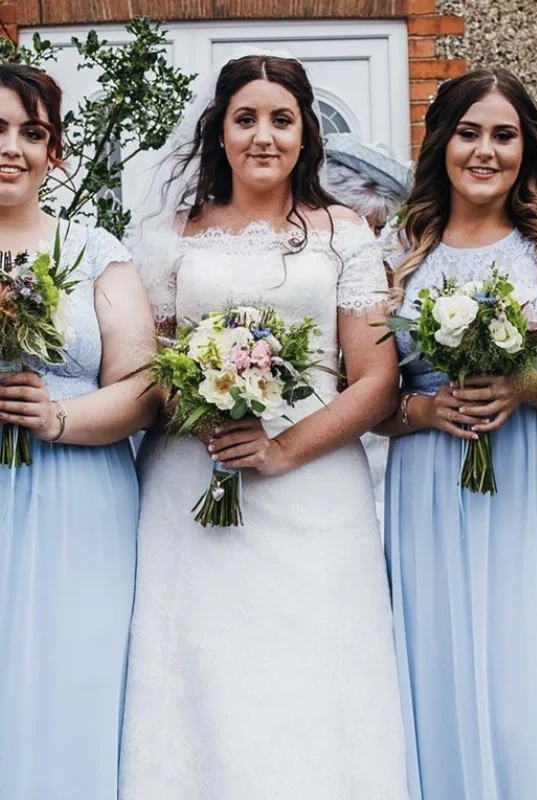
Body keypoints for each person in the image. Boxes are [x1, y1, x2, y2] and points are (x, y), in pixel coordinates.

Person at [119, 52, 408, 799]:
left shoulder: (342, 232)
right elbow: (147, 372)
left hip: (314, 492)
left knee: (313, 672)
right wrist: (201, 402)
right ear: (220, 131)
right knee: (203, 669)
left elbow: (376, 380)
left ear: (306, 132)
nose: (263, 136)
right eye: (246, 118)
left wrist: (280, 450)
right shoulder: (169, 237)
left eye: (282, 119)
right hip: (191, 483)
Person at [377, 67, 537, 799]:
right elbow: (367, 393)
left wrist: (525, 386)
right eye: (468, 134)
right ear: (440, 143)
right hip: (431, 483)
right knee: (444, 658)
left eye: (503, 135)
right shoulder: (400, 248)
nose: (484, 151)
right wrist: (423, 411)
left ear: (527, 148)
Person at [0, 63, 159, 799]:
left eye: (31, 132)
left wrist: (59, 417)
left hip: (80, 494)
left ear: (53, 150)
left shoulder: (96, 252)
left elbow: (142, 385)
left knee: (76, 671)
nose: (13, 148)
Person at [322, 132, 411, 525]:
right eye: (365, 227)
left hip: (376, 436)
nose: (371, 240)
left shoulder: (390, 270)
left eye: (377, 228)